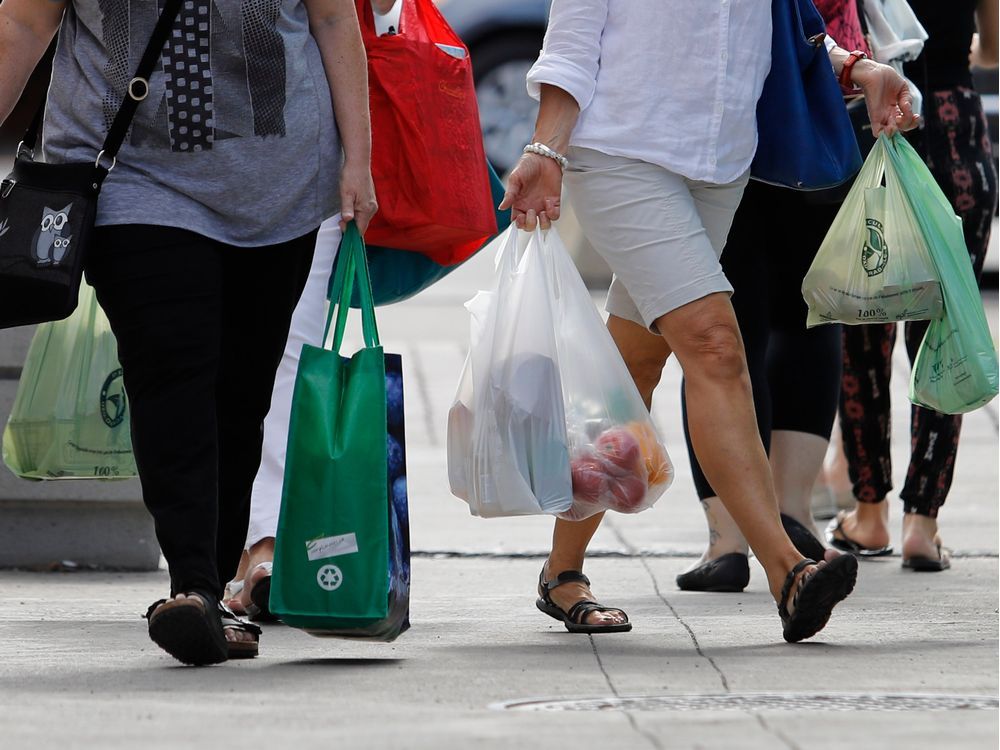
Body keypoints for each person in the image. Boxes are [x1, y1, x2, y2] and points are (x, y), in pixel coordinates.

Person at [501, 0, 917, 642]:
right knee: (716, 345)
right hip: (621, 154)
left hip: (719, 166)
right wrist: (544, 149)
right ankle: (789, 572)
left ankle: (561, 574)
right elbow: (573, 40)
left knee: (633, 366)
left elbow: (773, 30)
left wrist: (853, 66)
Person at [0, 0, 377, 665]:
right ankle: (194, 585)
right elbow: (25, 24)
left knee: (241, 391)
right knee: (172, 364)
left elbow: (333, 20)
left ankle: (218, 584)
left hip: (280, 185)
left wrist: (359, 162)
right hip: (127, 176)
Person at [674, 0, 922, 593]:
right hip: (822, 112)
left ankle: (728, 537)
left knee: (719, 329)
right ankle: (792, 510)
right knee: (808, 314)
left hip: (724, 121)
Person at [223, 0, 397, 621]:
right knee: (201, 362)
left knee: (288, 356)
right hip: (160, 167)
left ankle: (264, 545)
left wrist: (358, 158)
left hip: (303, 154)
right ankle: (215, 552)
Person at [827, 0, 998, 571]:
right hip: (956, 136)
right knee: (945, 327)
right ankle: (922, 523)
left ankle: (869, 514)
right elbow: (993, 50)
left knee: (863, 333)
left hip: (871, 132)